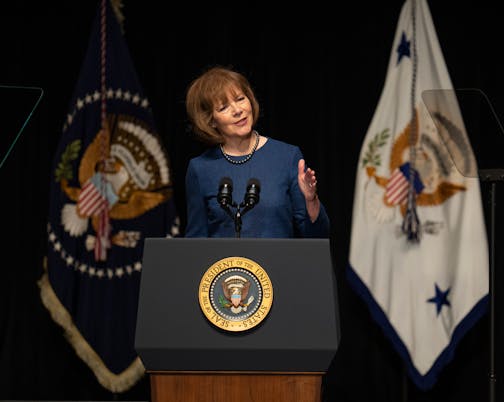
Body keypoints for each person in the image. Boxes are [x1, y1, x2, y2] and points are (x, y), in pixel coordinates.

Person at [184, 66, 330, 238]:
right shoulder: (200, 169)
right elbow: (195, 242)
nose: (238, 110)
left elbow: (318, 236)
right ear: (211, 121)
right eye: (223, 107)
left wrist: (311, 200)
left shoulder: (287, 157)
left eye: (240, 99)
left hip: (278, 264)